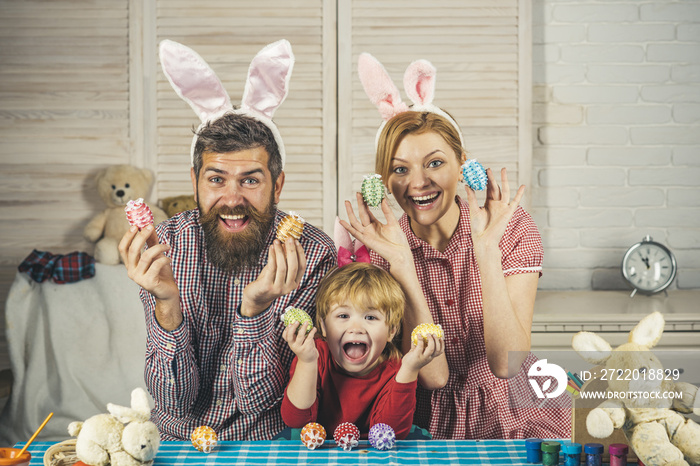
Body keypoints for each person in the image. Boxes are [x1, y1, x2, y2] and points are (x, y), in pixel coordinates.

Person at [341, 53, 571, 439]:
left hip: (521, 408)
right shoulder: (382, 252)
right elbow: (434, 376)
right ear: (383, 179)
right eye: (400, 169)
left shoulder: (512, 229)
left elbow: (507, 363)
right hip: (431, 421)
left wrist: (485, 249)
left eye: (434, 163)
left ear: (462, 162)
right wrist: (402, 264)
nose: (418, 183)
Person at [118, 40, 336, 440]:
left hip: (262, 441)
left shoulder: (313, 254)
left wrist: (254, 309)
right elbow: (173, 402)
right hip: (176, 439)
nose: (232, 199)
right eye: (216, 179)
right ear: (195, 183)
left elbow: (263, 403)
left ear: (278, 184)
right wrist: (167, 303)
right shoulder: (165, 246)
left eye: (250, 180)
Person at [280, 262, 444, 439]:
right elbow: (295, 420)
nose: (356, 328)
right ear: (323, 326)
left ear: (391, 331)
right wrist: (307, 362)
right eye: (343, 316)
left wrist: (410, 369)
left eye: (370, 317)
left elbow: (391, 432)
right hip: (319, 448)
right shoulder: (313, 354)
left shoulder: (397, 369)